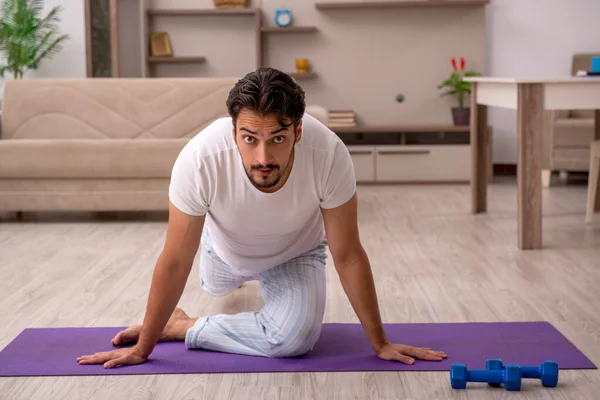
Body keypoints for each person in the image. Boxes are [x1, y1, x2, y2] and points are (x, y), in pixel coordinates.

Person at [76, 67, 447, 369]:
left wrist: (379, 342)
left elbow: (348, 254)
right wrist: (142, 350)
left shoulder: (329, 153)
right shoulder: (200, 158)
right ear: (233, 130)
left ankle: (183, 326)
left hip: (294, 253)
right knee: (216, 286)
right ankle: (209, 292)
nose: (262, 157)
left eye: (278, 139)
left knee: (295, 340)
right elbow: (175, 260)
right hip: (223, 251)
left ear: (298, 131)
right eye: (250, 138)